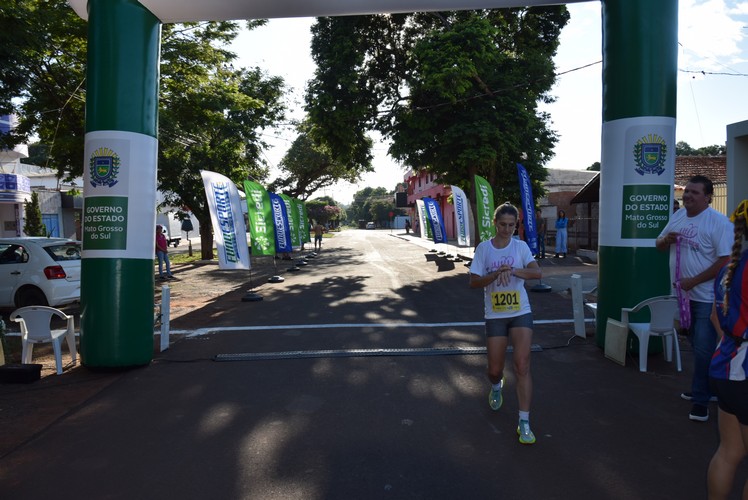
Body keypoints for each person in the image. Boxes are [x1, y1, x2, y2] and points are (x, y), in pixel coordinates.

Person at [655, 175, 733, 421]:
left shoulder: (719, 223)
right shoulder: (677, 216)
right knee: (694, 342)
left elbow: (725, 260)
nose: (688, 195)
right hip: (682, 294)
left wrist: (694, 281)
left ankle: (701, 401)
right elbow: (658, 243)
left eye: (694, 192)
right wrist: (665, 240)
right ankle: (706, 389)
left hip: (707, 297)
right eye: (687, 191)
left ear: (708, 197)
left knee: (703, 348)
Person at [469, 202, 542, 445]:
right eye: (503, 225)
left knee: (522, 365)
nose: (507, 229)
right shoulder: (484, 249)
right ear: (495, 223)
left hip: (520, 312)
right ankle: (497, 385)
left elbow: (537, 273)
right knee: (494, 370)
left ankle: (524, 421)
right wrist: (494, 274)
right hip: (495, 315)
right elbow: (474, 282)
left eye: (512, 225)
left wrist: (513, 270)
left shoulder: (520, 247)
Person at [706, 199, 748, 500]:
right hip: (744, 372)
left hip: (725, 365)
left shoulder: (733, 266)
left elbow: (713, 316)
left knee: (729, 452)